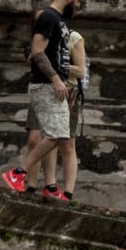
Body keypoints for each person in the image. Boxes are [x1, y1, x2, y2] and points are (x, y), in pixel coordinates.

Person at [0, 0, 85, 201]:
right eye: (78, 1)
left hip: (57, 86)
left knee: (59, 134)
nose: (78, 6)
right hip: (46, 85)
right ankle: (18, 173)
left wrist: (65, 85)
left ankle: (49, 186)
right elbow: (37, 52)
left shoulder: (59, 22)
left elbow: (61, 58)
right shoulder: (48, 17)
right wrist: (56, 80)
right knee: (57, 134)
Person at [41, 26, 88, 201]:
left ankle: (68, 193)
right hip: (47, 94)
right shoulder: (42, 37)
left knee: (67, 144)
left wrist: (55, 66)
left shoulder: (74, 37)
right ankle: (50, 186)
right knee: (49, 140)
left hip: (69, 94)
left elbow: (80, 71)